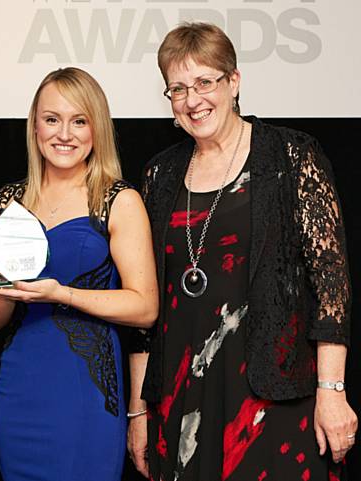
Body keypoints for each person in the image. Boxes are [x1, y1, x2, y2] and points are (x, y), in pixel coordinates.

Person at [127, 22, 356, 481]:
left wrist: (333, 390)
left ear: (234, 82)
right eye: (178, 89)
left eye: (205, 82)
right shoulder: (159, 175)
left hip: (272, 394)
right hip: (181, 395)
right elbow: (142, 307)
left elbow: (331, 284)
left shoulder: (291, 157)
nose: (193, 100)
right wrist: (138, 412)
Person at [0, 67, 159, 481]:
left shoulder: (118, 200)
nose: (64, 134)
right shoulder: (4, 203)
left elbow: (145, 308)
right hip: (19, 389)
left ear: (96, 129)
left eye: (79, 121)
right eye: (52, 119)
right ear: (35, 126)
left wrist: (62, 293)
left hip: (85, 396)